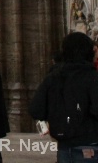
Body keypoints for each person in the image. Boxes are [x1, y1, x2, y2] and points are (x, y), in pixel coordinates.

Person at [30, 31, 98, 162]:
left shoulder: (53, 77)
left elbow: (35, 109)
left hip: (64, 147)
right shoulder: (93, 77)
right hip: (90, 145)